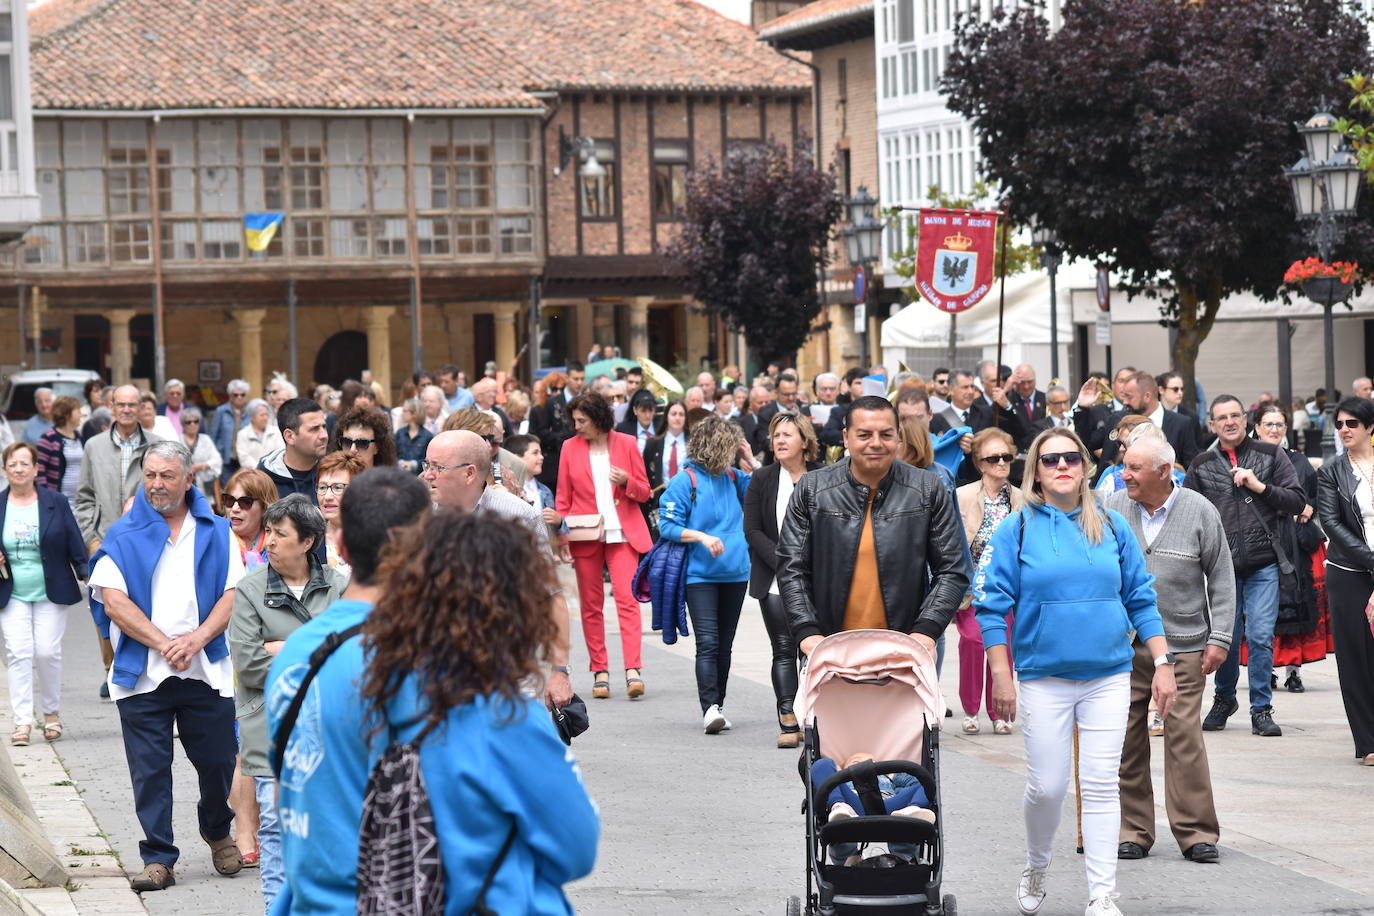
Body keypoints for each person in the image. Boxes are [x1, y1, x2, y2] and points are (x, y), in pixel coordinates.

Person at [972, 428, 1173, 916]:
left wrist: (1163, 663)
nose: (1061, 466)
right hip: (1044, 676)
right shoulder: (1016, 529)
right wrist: (1001, 674)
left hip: (1108, 674)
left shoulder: (1111, 524)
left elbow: (1141, 598)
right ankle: (1037, 863)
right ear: (1035, 473)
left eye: (1070, 458)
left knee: (1102, 782)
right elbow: (990, 607)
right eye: (1049, 460)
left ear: (1084, 466)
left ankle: (1102, 893)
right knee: (1047, 786)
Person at [87, 440, 245, 891]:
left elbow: (232, 595)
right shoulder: (122, 533)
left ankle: (216, 830)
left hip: (205, 669)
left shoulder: (216, 531)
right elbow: (113, 602)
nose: (156, 484)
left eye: (166, 476)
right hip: (145, 673)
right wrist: (165, 644)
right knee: (150, 770)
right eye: (150, 475)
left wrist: (195, 641)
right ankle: (158, 857)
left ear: (187, 478)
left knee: (218, 762)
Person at [1107, 436, 1234, 865]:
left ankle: (1196, 832)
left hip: (1184, 644)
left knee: (1183, 735)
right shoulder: (1114, 509)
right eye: (1124, 466)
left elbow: (1221, 578)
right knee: (1125, 736)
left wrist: (1219, 639)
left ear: (1164, 471)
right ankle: (1133, 830)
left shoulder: (1199, 510)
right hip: (1124, 645)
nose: (1124, 475)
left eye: (1134, 468)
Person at [777, 396, 967, 670]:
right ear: (846, 437)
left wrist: (926, 631)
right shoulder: (812, 489)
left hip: (904, 651)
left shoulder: (927, 489)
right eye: (864, 434)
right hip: (829, 652)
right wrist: (808, 633)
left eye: (885, 434)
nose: (875, 443)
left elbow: (952, 569)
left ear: (898, 437)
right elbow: (791, 567)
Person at [228, 494, 344, 911]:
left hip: (328, 724)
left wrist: (287, 647)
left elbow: (354, 659)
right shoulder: (249, 589)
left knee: (327, 823)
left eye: (280, 534)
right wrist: (316, 650)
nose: (269, 542)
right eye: (269, 533)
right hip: (270, 725)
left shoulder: (339, 586)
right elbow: (250, 664)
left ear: (308, 541)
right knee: (275, 826)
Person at [422, 431, 574, 708]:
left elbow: (550, 596)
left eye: (437, 467)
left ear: (470, 474)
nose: (427, 475)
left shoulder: (518, 516)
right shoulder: (418, 516)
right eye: (426, 465)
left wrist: (559, 671)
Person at [1187, 395, 1305, 737]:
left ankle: (1261, 708)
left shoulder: (1271, 455)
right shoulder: (1202, 463)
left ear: (1245, 419)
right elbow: (1190, 512)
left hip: (1263, 562)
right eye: (1221, 417)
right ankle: (1224, 699)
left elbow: (1297, 500)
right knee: (1225, 637)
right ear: (1212, 424)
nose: (1229, 422)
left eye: (1235, 415)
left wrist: (1260, 486)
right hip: (1221, 565)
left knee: (1260, 636)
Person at [656, 414, 755, 733]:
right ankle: (709, 707)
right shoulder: (685, 480)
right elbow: (667, 525)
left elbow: (762, 497)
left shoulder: (734, 476)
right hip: (699, 575)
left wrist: (751, 463)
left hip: (736, 572)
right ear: (715, 447)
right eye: (728, 449)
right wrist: (701, 536)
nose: (731, 456)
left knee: (724, 645)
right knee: (709, 642)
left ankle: (718, 705)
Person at [556, 392, 652, 701]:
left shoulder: (626, 443)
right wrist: (562, 536)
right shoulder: (569, 448)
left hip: (623, 531)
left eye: (581, 421)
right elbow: (563, 497)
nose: (576, 426)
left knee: (627, 599)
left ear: (598, 419)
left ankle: (633, 669)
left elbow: (645, 492)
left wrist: (626, 481)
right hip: (586, 533)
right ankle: (600, 670)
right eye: (574, 421)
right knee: (590, 605)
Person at [0, 442, 87, 745]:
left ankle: (51, 713)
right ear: (4, 470)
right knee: (19, 653)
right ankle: (23, 722)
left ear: (36, 469)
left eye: (26, 463)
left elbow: (75, 541)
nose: (20, 469)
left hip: (51, 589)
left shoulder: (56, 501)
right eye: (13, 464)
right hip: (11, 593)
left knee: (47, 652)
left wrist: (88, 577)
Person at [743, 413, 820, 748]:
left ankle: (814, 717)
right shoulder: (762, 478)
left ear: (804, 440)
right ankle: (788, 716)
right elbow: (752, 529)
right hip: (774, 577)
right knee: (784, 648)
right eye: (776, 435)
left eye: (788, 434)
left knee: (815, 651)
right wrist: (782, 561)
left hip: (818, 577)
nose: (780, 440)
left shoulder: (823, 477)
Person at [1253, 404, 1330, 692]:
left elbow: (1317, 496)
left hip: (1296, 543)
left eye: (1279, 425)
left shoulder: (1299, 461)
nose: (1274, 429)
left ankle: (1293, 671)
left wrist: (1309, 507)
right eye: (1268, 424)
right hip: (1260, 541)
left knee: (1294, 605)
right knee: (1262, 608)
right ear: (1257, 427)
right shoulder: (1249, 460)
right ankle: (1266, 668)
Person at [1315, 396, 1374, 765]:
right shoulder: (1331, 471)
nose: (1345, 430)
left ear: (1370, 427)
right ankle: (1368, 741)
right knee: (1356, 658)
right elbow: (1332, 524)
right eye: (1339, 425)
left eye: (1352, 423)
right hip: (1350, 573)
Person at [955, 427, 1024, 736]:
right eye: (993, 458)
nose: (1000, 463)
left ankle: (999, 711)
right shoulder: (962, 496)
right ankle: (970, 707)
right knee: (972, 640)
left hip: (1006, 585)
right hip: (972, 585)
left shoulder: (1021, 499)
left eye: (1006, 457)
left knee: (1002, 645)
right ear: (980, 463)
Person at [258, 398, 328, 502]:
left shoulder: (333, 474)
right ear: (290, 436)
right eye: (314, 429)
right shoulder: (262, 482)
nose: (324, 435)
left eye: (324, 427)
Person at [314, 451, 367, 579]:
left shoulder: (372, 538)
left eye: (338, 487)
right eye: (322, 487)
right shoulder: (310, 539)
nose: (327, 497)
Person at [34, 395, 85, 512]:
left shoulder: (79, 437)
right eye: (77, 411)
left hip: (79, 501)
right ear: (66, 414)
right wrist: (47, 497)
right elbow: (39, 471)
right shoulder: (48, 438)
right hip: (57, 500)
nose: (81, 414)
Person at [223, 468, 277, 573]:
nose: (234, 509)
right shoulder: (214, 541)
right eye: (229, 500)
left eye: (245, 502)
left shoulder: (280, 545)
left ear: (265, 507)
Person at [326, 404, 397, 470]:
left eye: (362, 443)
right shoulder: (331, 480)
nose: (352, 450)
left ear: (377, 447)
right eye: (347, 442)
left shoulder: (388, 482)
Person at [210, 379, 251, 485]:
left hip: (244, 459)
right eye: (235, 395)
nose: (239, 397)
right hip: (226, 459)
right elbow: (213, 436)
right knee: (227, 490)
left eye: (242, 395)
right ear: (230, 395)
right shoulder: (221, 411)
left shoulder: (250, 412)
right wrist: (217, 452)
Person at [178, 406, 222, 500]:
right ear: (183, 424)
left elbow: (217, 460)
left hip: (205, 489)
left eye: (196, 421)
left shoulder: (206, 439)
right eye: (188, 422)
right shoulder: (177, 440)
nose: (192, 424)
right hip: (182, 487)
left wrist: (201, 466)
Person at [235, 399, 283, 473]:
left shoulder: (276, 431)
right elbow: (244, 457)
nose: (265, 418)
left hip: (274, 473)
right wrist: (260, 469)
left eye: (266, 414)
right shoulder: (243, 434)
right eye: (262, 415)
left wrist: (269, 469)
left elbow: (280, 452)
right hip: (252, 475)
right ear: (252, 417)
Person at [393, 397, 433, 474]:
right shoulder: (400, 433)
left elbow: (429, 462)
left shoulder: (428, 436)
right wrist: (400, 463)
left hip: (420, 478)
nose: (402, 413)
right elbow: (393, 455)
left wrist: (414, 464)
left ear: (414, 413)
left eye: (405, 411)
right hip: (400, 476)